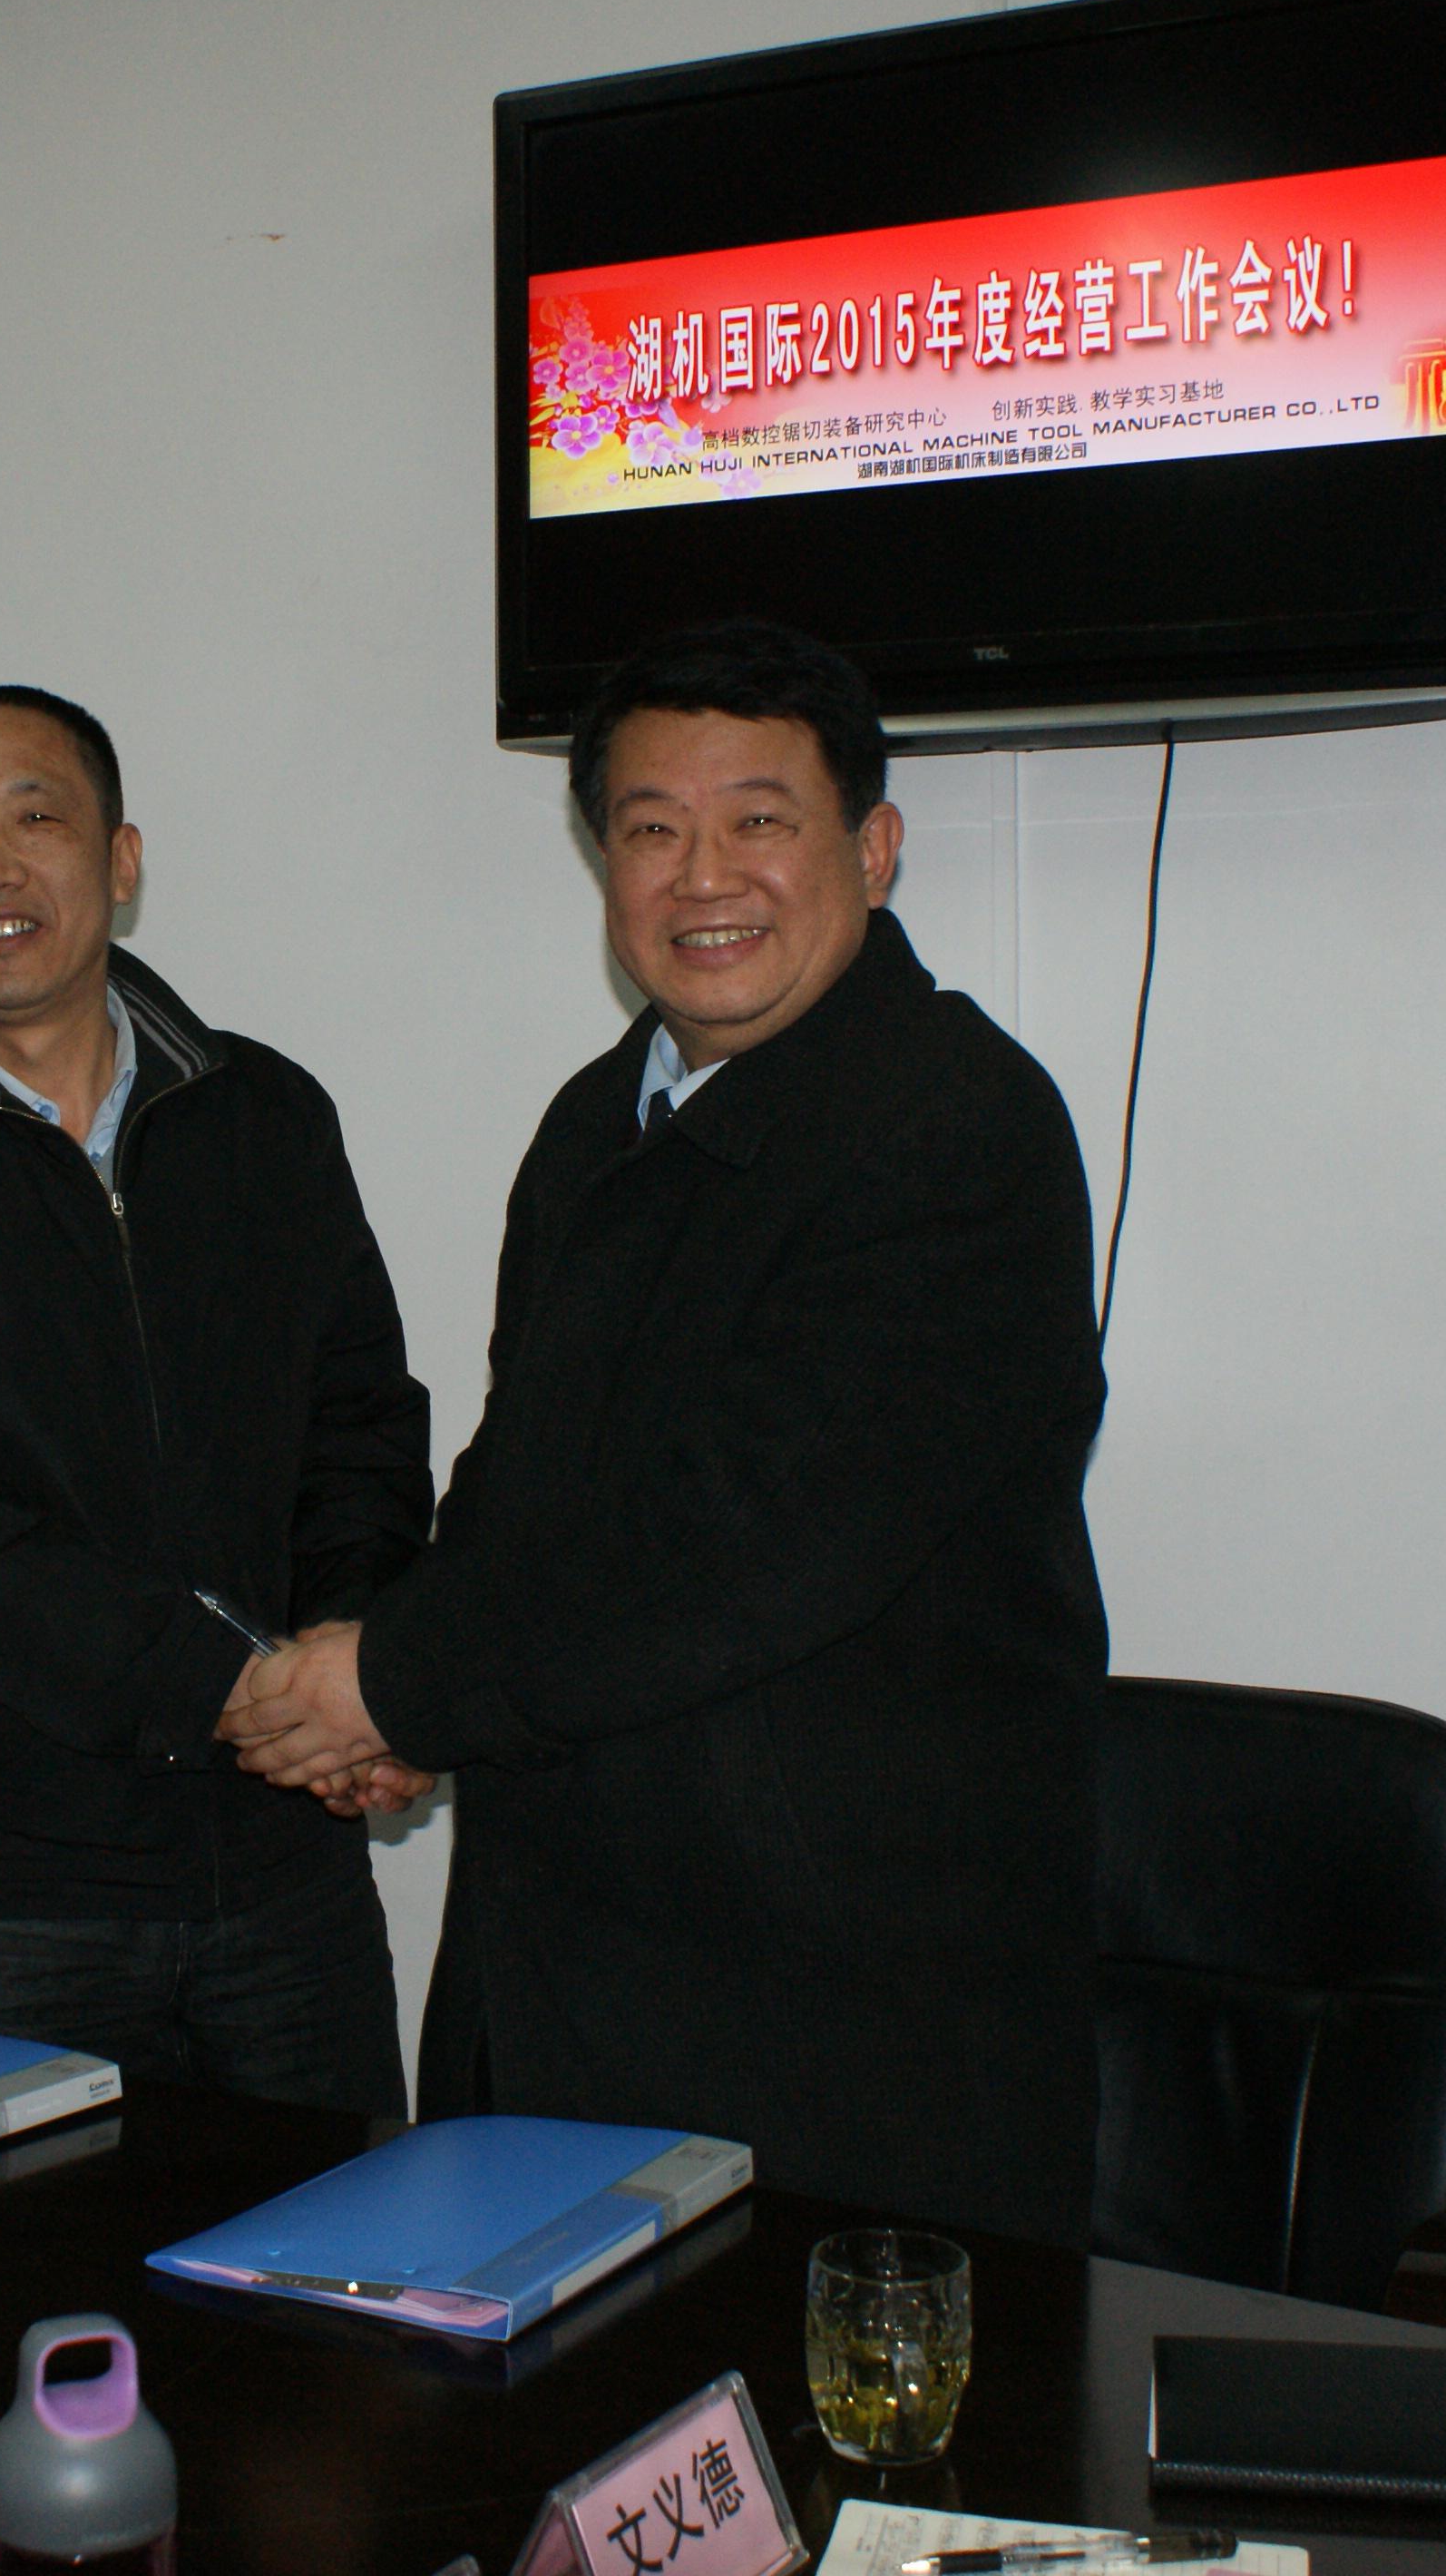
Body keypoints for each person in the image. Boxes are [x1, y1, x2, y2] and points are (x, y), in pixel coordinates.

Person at [220, 620, 1109, 2241]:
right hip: (555, 1981)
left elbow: (742, 1548)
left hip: (841, 2030)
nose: (704, 876)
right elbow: (520, 1487)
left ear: (873, 847)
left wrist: (396, 1682)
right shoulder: (593, 1122)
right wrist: (407, 1685)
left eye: (760, 819)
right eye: (650, 829)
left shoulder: (958, 1122)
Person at [0, 685, 434, 2118]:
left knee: (342, 2263)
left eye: (36, 819)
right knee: (21, 2275)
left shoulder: (266, 1118)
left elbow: (358, 1426)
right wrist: (229, 1687)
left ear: (121, 861)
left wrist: (362, 1671)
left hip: (287, 1885)